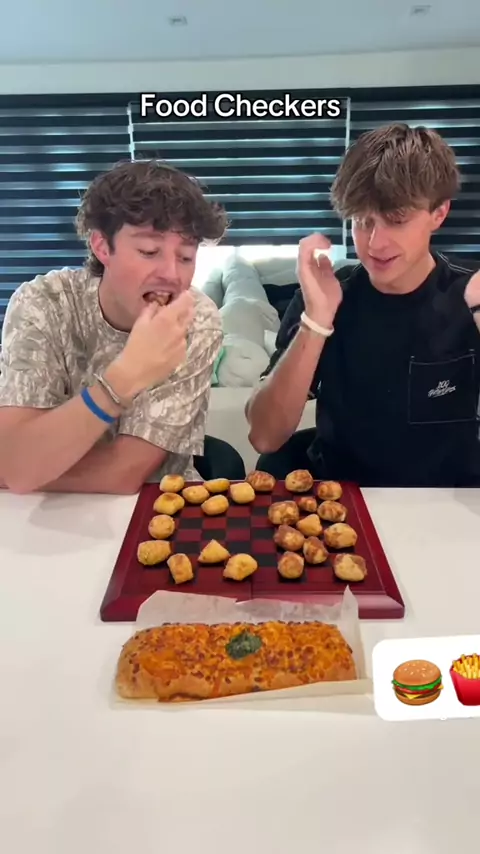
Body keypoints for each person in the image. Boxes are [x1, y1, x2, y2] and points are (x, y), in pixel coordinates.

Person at [246, 122, 480, 487]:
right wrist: (317, 321)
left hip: (449, 501)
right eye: (362, 221)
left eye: (397, 220)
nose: (375, 244)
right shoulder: (326, 296)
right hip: (340, 501)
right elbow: (265, 436)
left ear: (439, 213)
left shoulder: (471, 294)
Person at [0, 158, 245, 494]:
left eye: (186, 256)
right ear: (102, 246)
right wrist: (125, 377)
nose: (172, 274)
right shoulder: (44, 303)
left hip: (155, 506)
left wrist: (27, 468)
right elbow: (17, 463)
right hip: (37, 511)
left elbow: (124, 474)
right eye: (149, 251)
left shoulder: (195, 320)